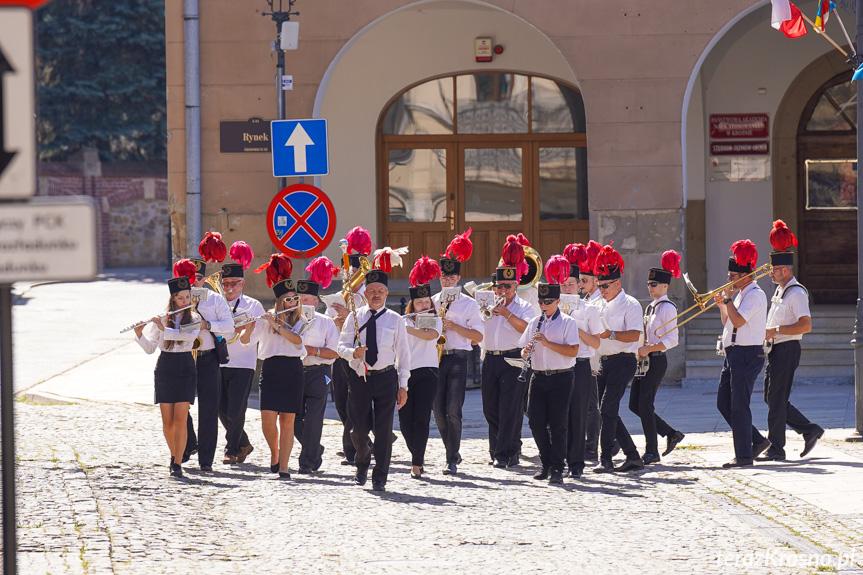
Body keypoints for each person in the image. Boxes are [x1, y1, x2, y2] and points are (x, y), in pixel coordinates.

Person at [338, 269, 410, 492]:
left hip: (386, 377)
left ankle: (380, 476)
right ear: (365, 294)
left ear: (387, 293)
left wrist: (403, 386)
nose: (376, 294)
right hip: (360, 377)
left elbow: (404, 354)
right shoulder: (355, 316)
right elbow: (341, 347)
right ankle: (361, 465)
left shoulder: (395, 320)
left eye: (380, 291)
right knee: (358, 429)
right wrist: (353, 353)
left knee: (384, 429)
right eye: (371, 291)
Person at [760, 221, 823, 460]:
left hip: (787, 349)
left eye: (774, 270)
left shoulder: (796, 292)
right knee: (771, 397)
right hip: (776, 349)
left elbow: (806, 325)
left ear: (785, 270)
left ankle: (776, 448)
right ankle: (809, 430)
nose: (771, 273)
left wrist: (776, 330)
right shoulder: (780, 290)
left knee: (776, 399)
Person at [134, 264, 201, 478]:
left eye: (187, 297)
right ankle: (174, 454)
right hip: (165, 367)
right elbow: (150, 348)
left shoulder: (195, 318)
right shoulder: (162, 318)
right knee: (167, 420)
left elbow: (187, 338)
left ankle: (178, 462)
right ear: (173, 299)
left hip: (185, 366)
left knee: (181, 417)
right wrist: (139, 335)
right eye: (181, 298)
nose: (186, 301)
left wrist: (165, 329)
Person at [242, 270, 307, 479]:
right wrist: (249, 328)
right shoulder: (267, 317)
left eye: (295, 298)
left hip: (293, 369)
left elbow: (296, 340)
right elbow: (245, 341)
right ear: (280, 301)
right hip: (270, 369)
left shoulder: (302, 319)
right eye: (288, 299)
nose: (293, 302)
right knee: (267, 420)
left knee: (288, 420)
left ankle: (284, 466)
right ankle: (275, 452)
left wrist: (275, 323)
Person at [714, 239, 770, 468]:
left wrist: (728, 299)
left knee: (739, 405)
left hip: (748, 355)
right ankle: (756, 441)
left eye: (732, 276)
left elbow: (738, 319)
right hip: (733, 354)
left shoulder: (755, 294)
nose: (729, 280)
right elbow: (729, 322)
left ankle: (744, 456)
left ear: (746, 275)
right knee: (723, 403)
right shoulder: (740, 294)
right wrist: (722, 305)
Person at [433, 231, 484, 475]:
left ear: (459, 278)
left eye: (452, 277)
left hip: (458, 357)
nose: (448, 281)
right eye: (444, 277)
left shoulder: (468, 303)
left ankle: (451, 457)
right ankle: (452, 449)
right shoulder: (431, 301)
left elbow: (478, 336)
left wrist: (455, 327)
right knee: (437, 409)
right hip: (435, 358)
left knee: (453, 408)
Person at [592, 244, 645, 473]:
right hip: (604, 360)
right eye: (599, 285)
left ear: (618, 284)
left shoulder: (631, 304)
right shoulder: (597, 304)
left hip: (623, 359)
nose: (601, 290)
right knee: (607, 411)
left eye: (605, 286)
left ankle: (606, 459)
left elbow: (635, 334)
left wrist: (610, 334)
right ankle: (633, 456)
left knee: (607, 409)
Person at [520, 282, 580, 484]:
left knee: (558, 424)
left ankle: (557, 468)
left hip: (561, 377)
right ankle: (545, 463)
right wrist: (525, 351)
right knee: (535, 422)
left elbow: (573, 351)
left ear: (557, 301)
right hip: (538, 376)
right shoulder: (534, 321)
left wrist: (546, 343)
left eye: (547, 302)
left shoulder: (568, 322)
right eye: (541, 302)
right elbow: (522, 349)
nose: (543, 305)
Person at [183, 233, 234, 472]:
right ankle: (188, 444)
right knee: (180, 405)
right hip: (184, 358)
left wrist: (208, 325)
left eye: (199, 278)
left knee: (209, 409)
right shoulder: (178, 298)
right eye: (191, 278)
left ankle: (206, 459)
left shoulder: (214, 299)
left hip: (208, 357)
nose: (196, 282)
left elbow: (229, 326)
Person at [630, 250, 686, 465]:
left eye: (654, 284)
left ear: (665, 286)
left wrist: (649, 349)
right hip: (644, 359)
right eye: (649, 284)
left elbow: (673, 340)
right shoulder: (651, 307)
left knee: (645, 405)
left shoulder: (667, 308)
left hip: (656, 359)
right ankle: (671, 434)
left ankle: (651, 451)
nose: (650, 287)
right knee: (634, 405)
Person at [480, 264, 536, 469]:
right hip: (490, 358)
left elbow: (527, 330)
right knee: (489, 408)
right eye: (498, 286)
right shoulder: (487, 304)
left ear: (516, 286)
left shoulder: (524, 307)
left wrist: (506, 314)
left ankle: (502, 453)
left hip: (513, 358)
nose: (502, 291)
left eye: (507, 286)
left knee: (509, 409)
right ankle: (509, 447)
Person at [552, 252, 602, 478]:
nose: (568, 288)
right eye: (563, 285)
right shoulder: (552, 307)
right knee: (559, 415)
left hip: (581, 364)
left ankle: (576, 463)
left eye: (571, 284)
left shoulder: (589, 309)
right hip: (560, 364)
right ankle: (558, 460)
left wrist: (575, 328)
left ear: (579, 286)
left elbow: (596, 341)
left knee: (579, 415)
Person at [218, 242, 265, 465]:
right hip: (219, 361)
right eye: (225, 283)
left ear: (242, 284)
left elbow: (261, 334)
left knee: (237, 408)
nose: (229, 287)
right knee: (220, 407)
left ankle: (232, 449)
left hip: (243, 362)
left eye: (233, 283)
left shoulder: (253, 305)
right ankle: (244, 443)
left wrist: (246, 333)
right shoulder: (216, 304)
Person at [330, 227, 372, 466]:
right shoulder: (338, 295)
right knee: (339, 402)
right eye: (347, 271)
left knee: (354, 402)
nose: (350, 275)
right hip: (340, 354)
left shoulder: (369, 296)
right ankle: (363, 439)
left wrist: (348, 316)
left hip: (361, 355)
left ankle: (353, 449)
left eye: (354, 271)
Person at [294, 261, 340, 474]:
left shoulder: (326, 322)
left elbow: (335, 352)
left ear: (315, 301)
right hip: (295, 372)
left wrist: (314, 350)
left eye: (307, 300)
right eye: (299, 300)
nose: (303, 303)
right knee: (293, 418)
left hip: (319, 372)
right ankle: (315, 448)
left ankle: (307, 461)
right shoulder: (290, 321)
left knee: (313, 417)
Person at [398, 278, 442, 479]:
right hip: (406, 372)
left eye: (426, 302)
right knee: (405, 421)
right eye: (419, 303)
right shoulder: (404, 320)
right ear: (412, 304)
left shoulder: (436, 319)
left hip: (428, 372)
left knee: (421, 419)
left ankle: (416, 463)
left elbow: (430, 336)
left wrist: (404, 328)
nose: (423, 305)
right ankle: (417, 455)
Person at [569, 240, 604, 460]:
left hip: (594, 357)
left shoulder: (598, 301)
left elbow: (599, 335)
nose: (580, 285)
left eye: (584, 280)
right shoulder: (586, 299)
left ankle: (591, 446)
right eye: (579, 280)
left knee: (591, 405)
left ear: (596, 281)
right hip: (578, 356)